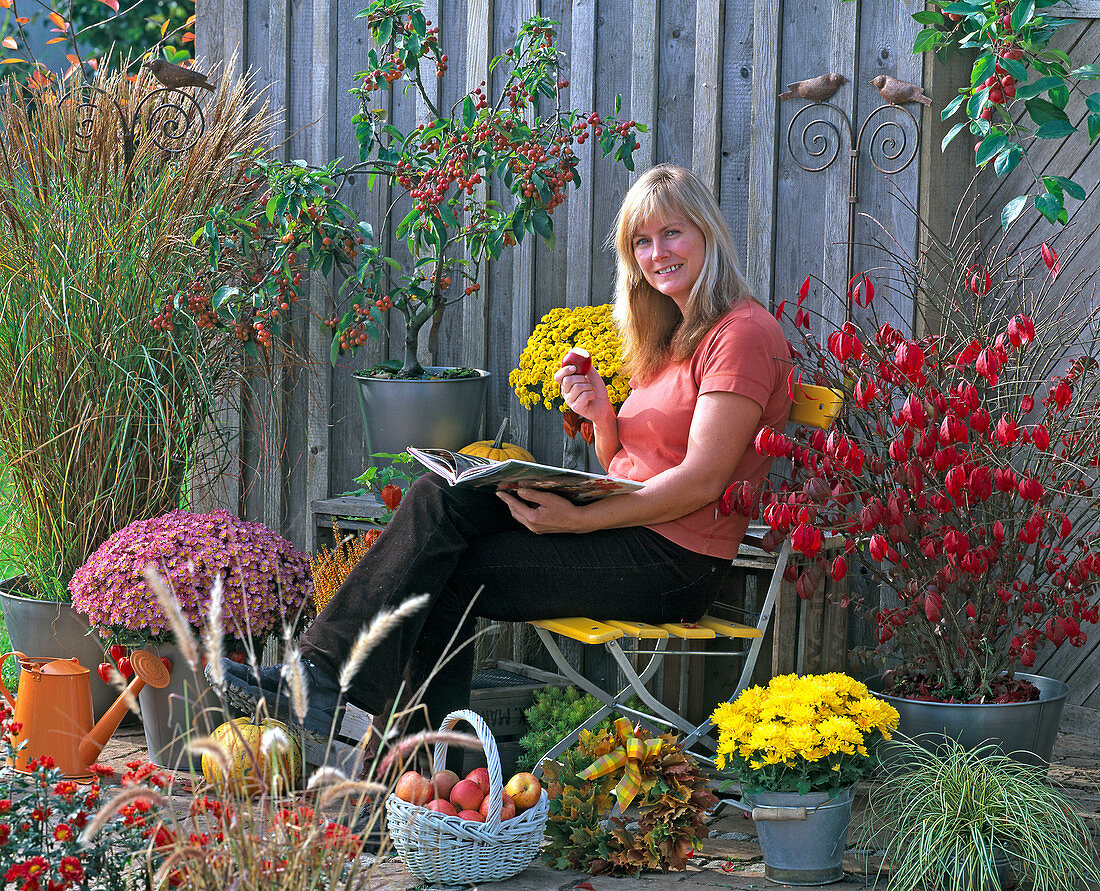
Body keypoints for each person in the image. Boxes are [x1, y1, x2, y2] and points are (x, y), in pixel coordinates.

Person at [217, 164, 792, 745]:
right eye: (641, 241)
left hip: (674, 563)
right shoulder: (670, 332)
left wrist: (581, 517)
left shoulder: (741, 334)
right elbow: (632, 465)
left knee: (443, 571)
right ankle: (345, 701)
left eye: (672, 233)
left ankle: (406, 762)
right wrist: (602, 420)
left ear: (707, 233)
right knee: (441, 497)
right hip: (627, 525)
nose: (656, 252)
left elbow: (700, 482)